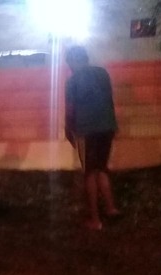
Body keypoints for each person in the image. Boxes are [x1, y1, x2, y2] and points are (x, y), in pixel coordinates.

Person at [64, 45, 121, 231]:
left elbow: (70, 110)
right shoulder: (102, 73)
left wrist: (68, 129)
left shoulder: (72, 81)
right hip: (107, 126)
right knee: (101, 168)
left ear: (73, 61)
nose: (69, 67)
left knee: (89, 173)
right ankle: (111, 208)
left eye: (69, 62)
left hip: (87, 129)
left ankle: (95, 220)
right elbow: (109, 99)